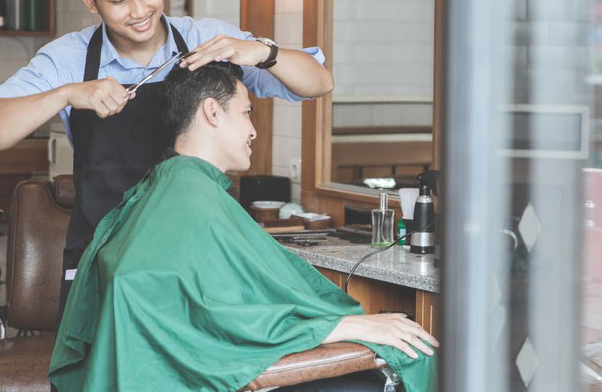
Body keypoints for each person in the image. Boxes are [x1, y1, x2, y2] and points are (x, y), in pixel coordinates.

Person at [0, 0, 334, 312]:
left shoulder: (204, 39)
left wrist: (262, 52)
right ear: (90, 0)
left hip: (196, 262)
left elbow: (318, 83)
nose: (140, 11)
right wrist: (67, 94)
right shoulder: (67, 59)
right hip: (106, 267)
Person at [49, 62, 437, 392]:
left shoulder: (180, 187)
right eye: (247, 112)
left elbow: (207, 300)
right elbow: (148, 287)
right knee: (414, 352)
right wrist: (339, 325)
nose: (253, 131)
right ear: (212, 113)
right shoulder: (187, 195)